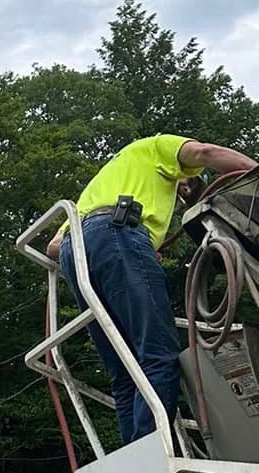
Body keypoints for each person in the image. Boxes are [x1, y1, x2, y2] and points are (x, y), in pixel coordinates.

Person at [48, 134, 255, 444]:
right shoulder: (156, 147)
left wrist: (129, 249)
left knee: (124, 369)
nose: (184, 190)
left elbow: (53, 247)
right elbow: (206, 151)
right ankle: (154, 450)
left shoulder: (99, 188)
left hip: (74, 252)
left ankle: (137, 457)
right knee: (158, 353)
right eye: (187, 184)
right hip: (120, 231)